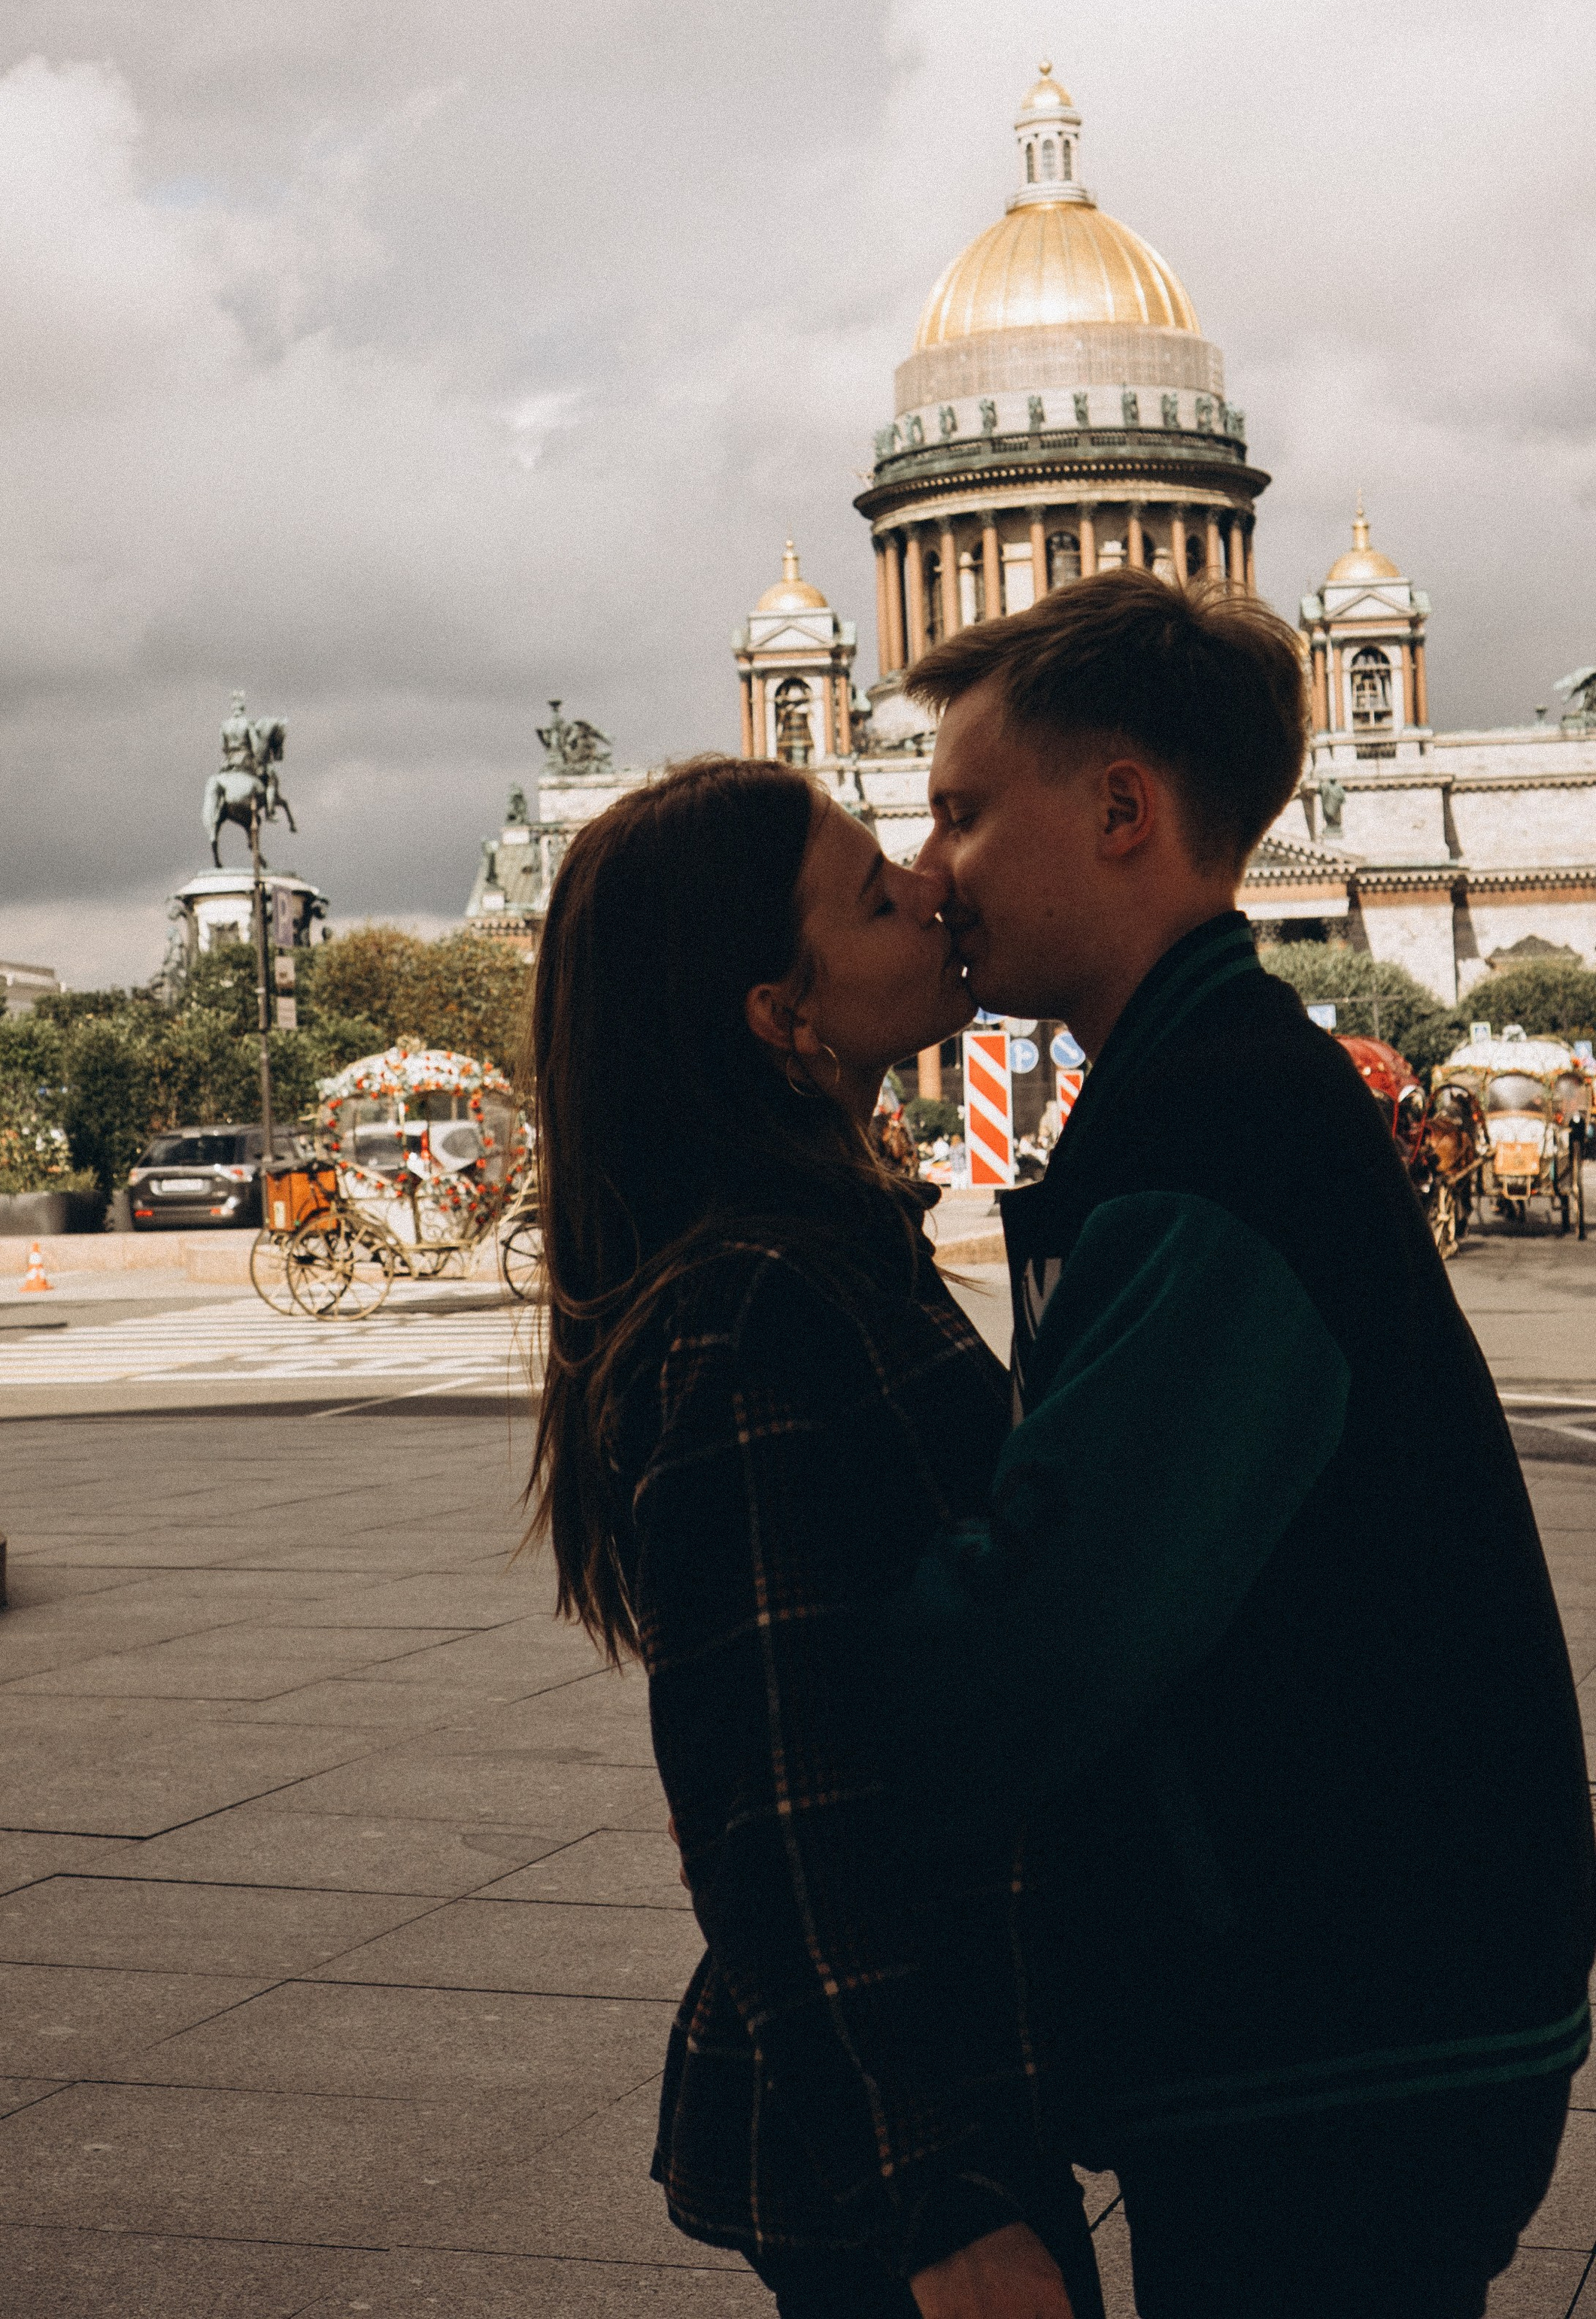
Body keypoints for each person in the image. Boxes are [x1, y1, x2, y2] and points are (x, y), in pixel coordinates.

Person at [893, 567, 1595, 2319]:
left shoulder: (1213, 1136)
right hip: (1365, 1981)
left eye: (964, 814)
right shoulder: (1217, 1087)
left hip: (1335, 2016)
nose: (929, 875)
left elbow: (1049, 1632)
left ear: (1123, 805)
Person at [523, 757, 1105, 2318]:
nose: (931, 884)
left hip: (923, 2094)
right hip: (906, 2148)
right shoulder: (762, 1303)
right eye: (871, 894)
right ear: (781, 1020)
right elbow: (775, 1800)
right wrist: (941, 2197)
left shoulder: (813, 1249)